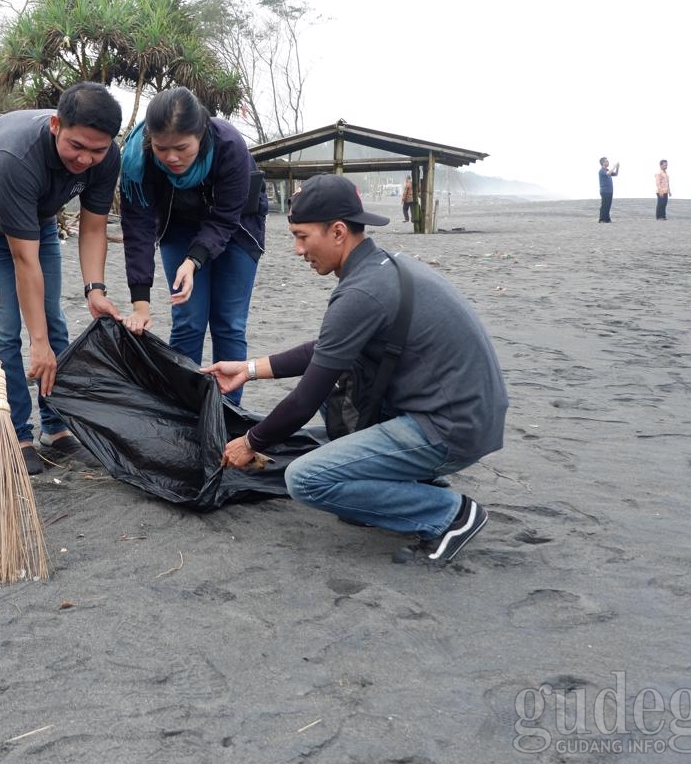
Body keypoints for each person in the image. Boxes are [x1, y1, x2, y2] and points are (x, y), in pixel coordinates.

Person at [201, 175, 508, 563]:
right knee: (336, 411)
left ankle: (449, 514)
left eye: (301, 236)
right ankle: (415, 479)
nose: (297, 250)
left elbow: (304, 400)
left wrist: (250, 443)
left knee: (306, 478)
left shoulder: (362, 292)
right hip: (466, 412)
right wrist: (249, 368)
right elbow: (328, 350)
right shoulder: (381, 267)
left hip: (453, 428)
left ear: (338, 231)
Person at [0, 82, 124, 474]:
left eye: (98, 150)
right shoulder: (19, 154)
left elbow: (93, 228)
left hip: (38, 219)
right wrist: (37, 343)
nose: (86, 159)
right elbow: (23, 260)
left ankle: (57, 429)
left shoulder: (106, 157)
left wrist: (95, 290)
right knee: (7, 328)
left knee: (53, 323)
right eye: (77, 146)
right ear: (56, 125)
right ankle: (17, 434)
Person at [119, 86, 268, 404]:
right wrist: (140, 303)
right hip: (179, 225)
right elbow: (138, 230)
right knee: (188, 320)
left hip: (238, 225)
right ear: (150, 140)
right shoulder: (139, 159)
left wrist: (193, 261)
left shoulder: (229, 144)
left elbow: (226, 218)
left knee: (229, 322)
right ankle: (183, 408)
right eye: (162, 148)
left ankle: (228, 412)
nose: (171, 157)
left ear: (201, 134)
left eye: (182, 148)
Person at [598, 157, 619, 222]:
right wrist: (614, 167)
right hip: (604, 191)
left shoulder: (607, 170)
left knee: (608, 206)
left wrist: (617, 167)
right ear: (603, 163)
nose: (608, 162)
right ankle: (601, 219)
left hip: (610, 191)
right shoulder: (601, 171)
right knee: (604, 205)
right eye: (606, 161)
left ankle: (607, 219)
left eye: (607, 161)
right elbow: (608, 173)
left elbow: (615, 174)